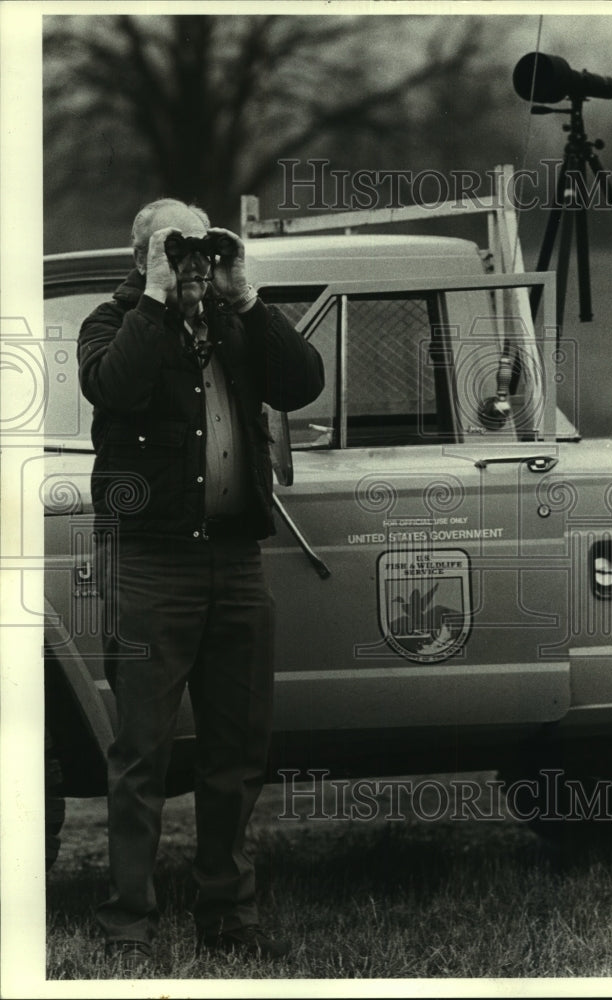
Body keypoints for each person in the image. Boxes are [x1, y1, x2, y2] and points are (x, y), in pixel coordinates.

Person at [78, 198, 324, 972]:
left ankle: (227, 912)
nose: (191, 263)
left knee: (236, 749)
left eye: (199, 247)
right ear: (139, 256)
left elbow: (300, 384)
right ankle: (128, 920)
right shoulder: (111, 323)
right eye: (171, 248)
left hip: (235, 562)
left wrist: (246, 292)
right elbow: (115, 390)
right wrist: (155, 297)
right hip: (151, 563)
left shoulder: (233, 322)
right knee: (141, 753)